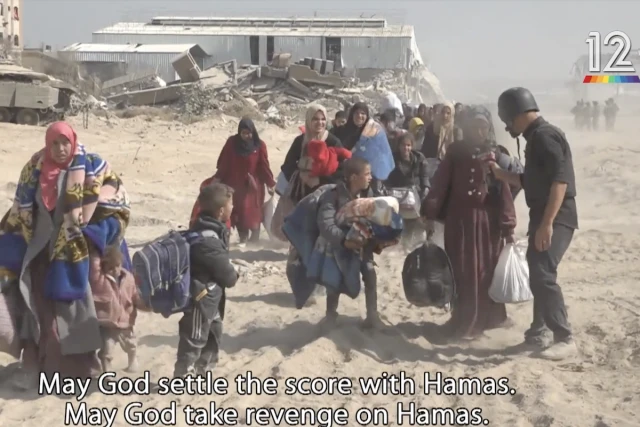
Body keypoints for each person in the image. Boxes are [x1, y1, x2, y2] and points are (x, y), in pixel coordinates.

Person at [0, 121, 131, 389]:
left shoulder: (92, 167)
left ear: (73, 142)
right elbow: (20, 210)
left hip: (74, 254)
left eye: (65, 143)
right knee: (39, 314)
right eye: (55, 143)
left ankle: (84, 372)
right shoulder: (33, 170)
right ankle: (38, 369)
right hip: (39, 254)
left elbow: (116, 206)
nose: (60, 149)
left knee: (75, 313)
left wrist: (91, 235)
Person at [491, 87, 578, 360]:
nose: (507, 127)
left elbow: (560, 181)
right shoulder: (536, 138)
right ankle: (539, 332)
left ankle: (564, 337)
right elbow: (530, 181)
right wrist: (499, 173)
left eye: (507, 120)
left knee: (542, 273)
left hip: (557, 216)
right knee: (538, 271)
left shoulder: (545, 136)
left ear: (517, 114)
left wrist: (548, 223)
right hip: (544, 216)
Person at [422, 105, 517, 339]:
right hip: (460, 222)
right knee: (462, 271)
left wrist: (508, 226)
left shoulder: (495, 154)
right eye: (475, 127)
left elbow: (503, 190)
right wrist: (430, 212)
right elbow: (440, 184)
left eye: (483, 127)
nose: (479, 131)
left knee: (486, 271)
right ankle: (464, 319)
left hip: (488, 224)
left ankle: (490, 319)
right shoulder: (456, 153)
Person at [174, 183, 239, 377]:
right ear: (221, 211)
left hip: (210, 299)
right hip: (201, 299)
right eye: (230, 204)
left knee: (213, 334)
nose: (233, 207)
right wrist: (234, 273)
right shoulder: (207, 240)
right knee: (194, 339)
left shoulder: (209, 230)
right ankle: (182, 377)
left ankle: (203, 372)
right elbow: (228, 276)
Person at [316, 157, 385, 329]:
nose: (370, 177)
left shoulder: (369, 195)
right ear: (354, 177)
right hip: (340, 248)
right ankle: (330, 316)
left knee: (370, 276)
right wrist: (344, 241)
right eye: (367, 174)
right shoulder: (333, 196)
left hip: (363, 247)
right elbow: (326, 223)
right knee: (334, 281)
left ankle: (372, 316)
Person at [214, 117, 276, 245]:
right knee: (238, 211)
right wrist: (218, 178)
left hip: (253, 186)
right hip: (234, 184)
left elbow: (264, 166)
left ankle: (255, 239)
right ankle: (243, 237)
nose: (247, 136)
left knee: (254, 212)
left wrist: (270, 183)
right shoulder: (232, 143)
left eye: (249, 133)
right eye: (244, 133)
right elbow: (224, 163)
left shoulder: (259, 145)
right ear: (239, 132)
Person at [91, 243, 147, 373]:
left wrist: (144, 305)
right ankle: (107, 372)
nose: (115, 270)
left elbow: (134, 296)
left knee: (130, 345)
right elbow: (94, 264)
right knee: (106, 350)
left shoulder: (129, 278)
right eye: (110, 268)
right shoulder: (100, 280)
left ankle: (132, 360)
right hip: (108, 323)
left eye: (117, 266)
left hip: (126, 321)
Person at [281, 104, 343, 203]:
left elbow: (341, 170)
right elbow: (287, 165)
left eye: (323, 119)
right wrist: (300, 176)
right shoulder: (300, 141)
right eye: (315, 119)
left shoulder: (333, 142)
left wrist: (320, 180)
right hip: (300, 192)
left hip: (325, 195)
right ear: (308, 120)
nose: (320, 122)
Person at [385, 133, 430, 250]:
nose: (406, 148)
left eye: (408, 145)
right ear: (399, 146)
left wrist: (425, 189)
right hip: (396, 195)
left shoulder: (419, 158)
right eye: (403, 145)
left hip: (414, 196)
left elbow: (424, 176)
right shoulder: (392, 158)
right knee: (397, 223)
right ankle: (396, 247)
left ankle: (408, 246)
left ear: (412, 146)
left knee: (412, 221)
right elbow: (386, 176)